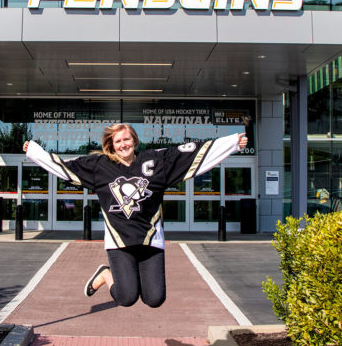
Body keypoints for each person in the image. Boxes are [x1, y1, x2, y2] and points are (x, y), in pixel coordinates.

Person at [23, 123, 248, 308]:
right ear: (111, 144)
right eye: (118, 141)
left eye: (127, 139)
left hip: (151, 240)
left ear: (134, 141)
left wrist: (231, 143)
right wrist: (34, 151)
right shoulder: (99, 166)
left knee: (155, 299)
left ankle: (127, 277)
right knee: (127, 297)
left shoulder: (155, 161)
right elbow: (62, 166)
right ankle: (107, 275)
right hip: (119, 243)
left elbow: (192, 153)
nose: (123, 144)